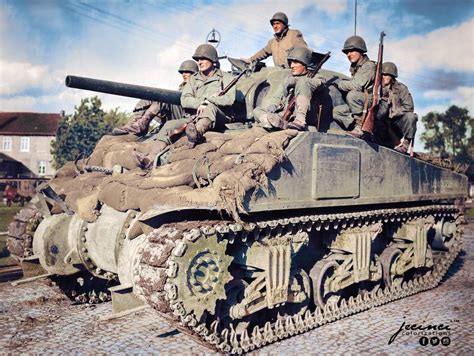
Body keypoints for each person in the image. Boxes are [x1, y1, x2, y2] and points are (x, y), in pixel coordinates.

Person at [111, 60, 199, 136]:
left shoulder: (197, 86)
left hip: (186, 117)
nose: (184, 74)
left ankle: (141, 126)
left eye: (187, 72)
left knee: (162, 96)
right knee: (150, 96)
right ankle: (136, 123)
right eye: (182, 72)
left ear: (194, 74)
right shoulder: (182, 86)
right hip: (176, 114)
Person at [253, 47, 325, 130]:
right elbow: (277, 96)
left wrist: (295, 81)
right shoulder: (288, 79)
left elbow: (318, 83)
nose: (291, 66)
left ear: (304, 64)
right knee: (257, 111)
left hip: (304, 115)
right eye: (290, 62)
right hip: (284, 112)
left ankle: (299, 121)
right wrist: (273, 105)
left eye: (295, 62)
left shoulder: (317, 77)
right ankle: (270, 121)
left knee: (303, 82)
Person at [181, 43, 236, 147]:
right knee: (169, 126)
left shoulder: (225, 77)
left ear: (212, 59)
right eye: (197, 60)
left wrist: (209, 101)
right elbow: (185, 99)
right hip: (197, 115)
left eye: (203, 59)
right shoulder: (193, 79)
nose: (199, 62)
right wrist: (201, 102)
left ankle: (196, 133)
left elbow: (230, 99)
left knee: (210, 108)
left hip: (221, 115)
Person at [332, 35, 376, 137]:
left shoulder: (369, 66)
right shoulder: (355, 67)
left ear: (360, 51)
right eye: (347, 52)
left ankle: (360, 127)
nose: (349, 54)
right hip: (362, 102)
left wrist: (340, 83)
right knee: (337, 112)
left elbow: (357, 86)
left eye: (352, 51)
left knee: (352, 95)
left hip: (372, 101)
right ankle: (358, 129)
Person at [375, 62, 418, 153]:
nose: (383, 77)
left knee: (411, 117)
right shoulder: (377, 88)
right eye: (382, 74)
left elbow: (409, 106)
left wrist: (393, 112)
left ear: (392, 76)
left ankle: (405, 145)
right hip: (381, 123)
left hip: (397, 123)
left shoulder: (401, 89)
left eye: (386, 75)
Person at [243, 12, 308, 68]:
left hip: (291, 72)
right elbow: (263, 52)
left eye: (277, 23)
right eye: (273, 24)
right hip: (278, 74)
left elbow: (304, 51)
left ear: (285, 24)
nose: (275, 26)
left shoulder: (293, 34)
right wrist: (250, 60)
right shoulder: (272, 42)